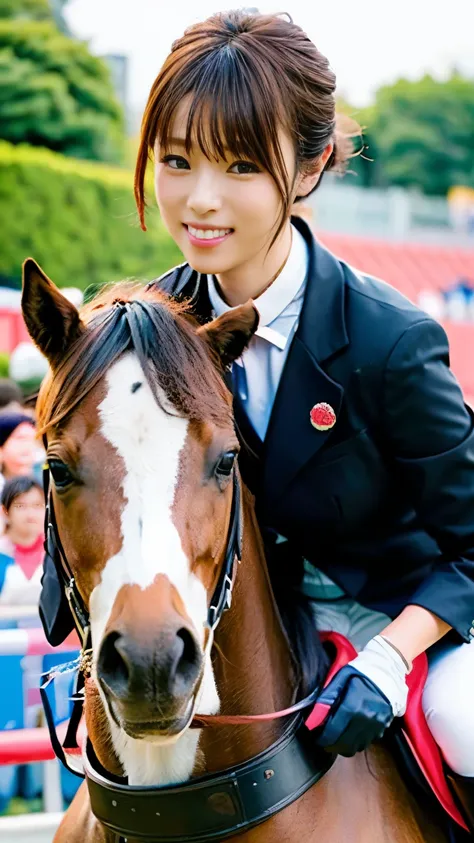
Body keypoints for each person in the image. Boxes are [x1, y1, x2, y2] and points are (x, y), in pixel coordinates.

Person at [130, 9, 474, 823]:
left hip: (408, 616)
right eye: (176, 161)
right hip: (244, 622)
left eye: (241, 166)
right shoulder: (151, 323)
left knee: (466, 723)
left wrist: (392, 658)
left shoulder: (390, 341)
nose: (199, 202)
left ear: (313, 164)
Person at [0, 476, 44, 606]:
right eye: (21, 506)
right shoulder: (2, 552)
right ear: (5, 511)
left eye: (37, 505)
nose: (31, 514)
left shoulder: (56, 553)